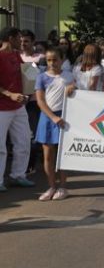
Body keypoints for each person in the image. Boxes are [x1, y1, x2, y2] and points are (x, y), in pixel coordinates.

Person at [35, 47, 75, 201]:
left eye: (55, 60)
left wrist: (74, 88)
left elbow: (76, 96)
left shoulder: (69, 76)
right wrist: (52, 117)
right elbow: (40, 101)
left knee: (63, 155)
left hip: (64, 118)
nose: (52, 63)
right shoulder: (41, 77)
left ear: (62, 59)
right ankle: (51, 186)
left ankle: (63, 187)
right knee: (48, 156)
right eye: (49, 60)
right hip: (47, 118)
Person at [0, 27, 35, 191]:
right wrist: (9, 94)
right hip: (2, 108)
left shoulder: (15, 55)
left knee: (24, 141)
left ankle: (18, 175)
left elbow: (26, 74)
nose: (21, 42)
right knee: (0, 147)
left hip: (18, 106)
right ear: (10, 38)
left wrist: (27, 92)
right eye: (18, 38)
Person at [20, 29, 44, 173]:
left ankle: (31, 164)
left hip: (34, 102)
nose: (23, 44)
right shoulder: (15, 57)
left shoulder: (40, 58)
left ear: (33, 42)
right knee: (20, 136)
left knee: (32, 134)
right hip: (18, 101)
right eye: (21, 41)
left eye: (26, 41)